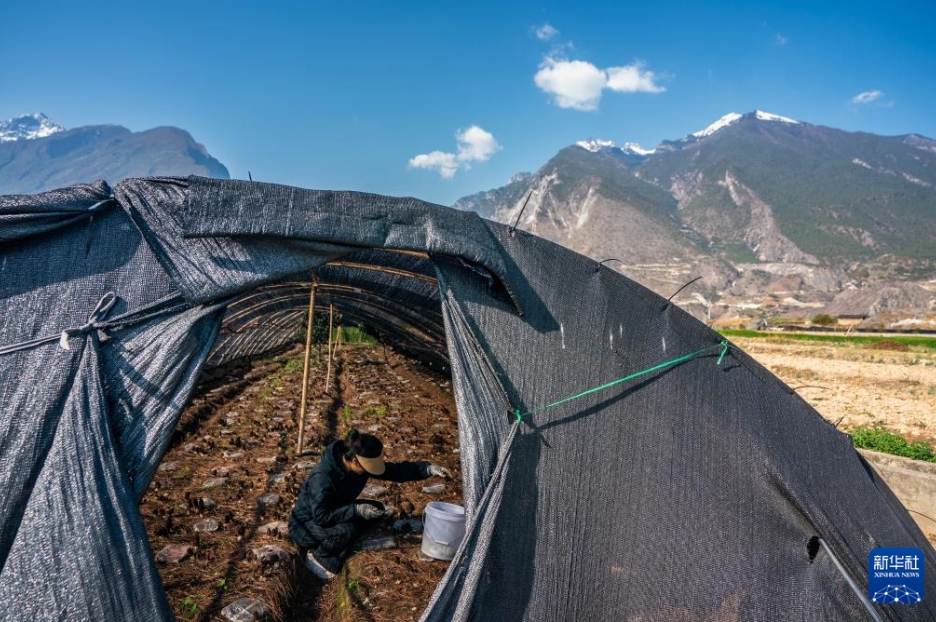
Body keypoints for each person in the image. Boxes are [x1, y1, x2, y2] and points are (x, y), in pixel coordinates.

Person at [289, 429, 452, 579]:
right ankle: (319, 557)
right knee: (347, 530)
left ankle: (341, 543)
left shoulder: (357, 466)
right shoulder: (322, 478)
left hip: (334, 512)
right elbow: (321, 517)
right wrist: (356, 510)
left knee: (376, 511)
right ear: (354, 461)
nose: (368, 472)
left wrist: (428, 469)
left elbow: (396, 471)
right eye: (366, 469)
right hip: (306, 526)